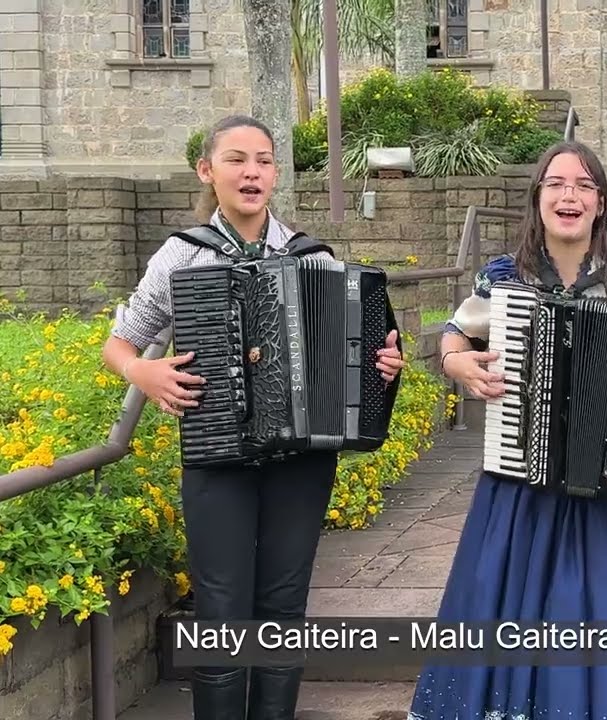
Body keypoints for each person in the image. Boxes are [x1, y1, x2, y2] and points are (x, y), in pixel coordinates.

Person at [101, 114, 405, 720]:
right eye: (237, 159)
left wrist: (383, 364)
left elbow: (362, 351)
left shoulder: (311, 256)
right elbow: (121, 343)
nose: (252, 172)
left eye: (264, 161)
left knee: (285, 604)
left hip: (301, 460)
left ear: (275, 174)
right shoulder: (182, 255)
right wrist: (145, 372)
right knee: (220, 607)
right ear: (207, 171)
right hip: (219, 459)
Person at [406, 140, 607, 720]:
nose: (569, 194)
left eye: (583, 185)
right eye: (556, 183)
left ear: (600, 204)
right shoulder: (502, 278)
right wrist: (456, 363)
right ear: (539, 198)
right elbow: (455, 333)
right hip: (521, 485)